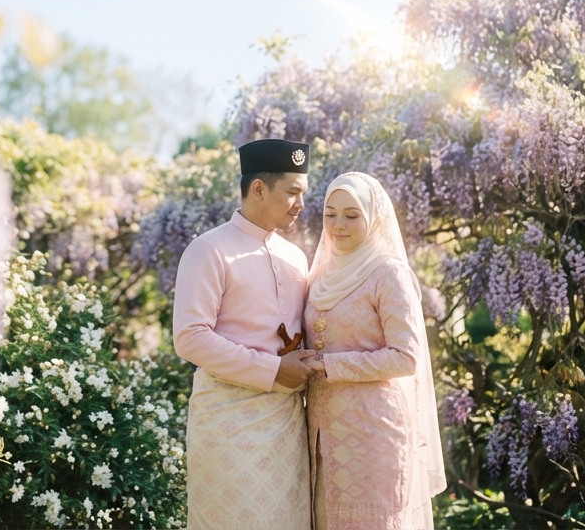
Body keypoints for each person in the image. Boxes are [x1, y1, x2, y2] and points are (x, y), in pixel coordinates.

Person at [173, 138, 316, 530]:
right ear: (258, 188)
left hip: (287, 426)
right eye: (292, 192)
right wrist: (271, 369)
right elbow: (190, 337)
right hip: (227, 425)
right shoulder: (208, 250)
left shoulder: (296, 256)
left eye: (303, 193)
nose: (301, 204)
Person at [300, 172, 446, 530]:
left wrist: (329, 365)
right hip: (321, 430)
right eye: (330, 214)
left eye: (352, 215)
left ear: (373, 217)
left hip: (374, 432)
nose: (338, 225)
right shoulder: (319, 275)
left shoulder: (388, 274)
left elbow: (405, 356)